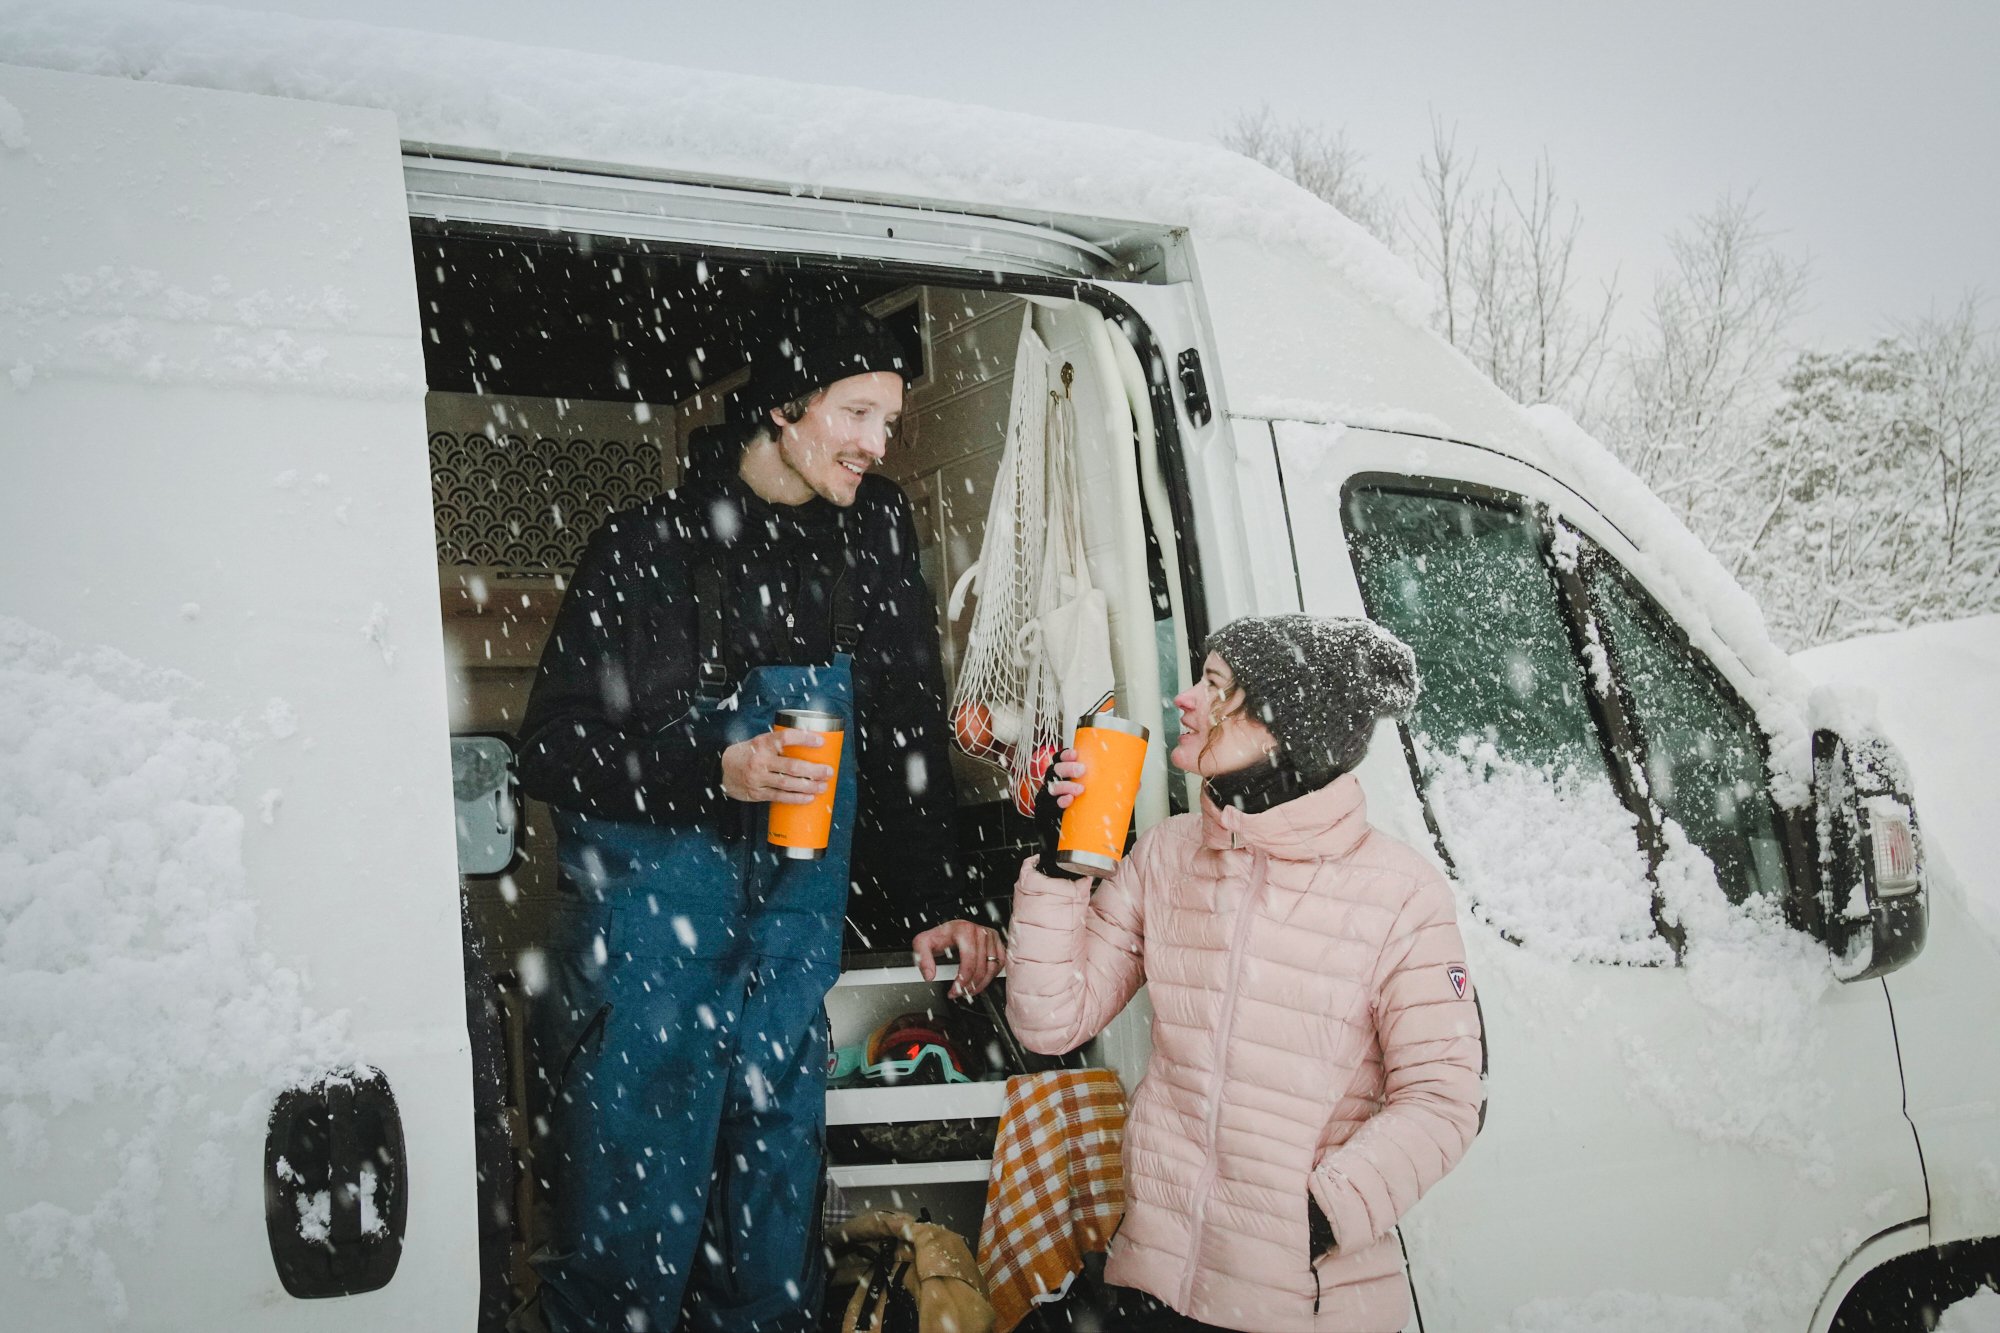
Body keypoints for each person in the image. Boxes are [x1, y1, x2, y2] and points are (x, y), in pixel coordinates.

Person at [514, 304, 1005, 1333]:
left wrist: (934, 897)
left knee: (770, 1240)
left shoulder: (869, 543)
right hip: (651, 969)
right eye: (856, 411)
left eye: (890, 419)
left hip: (785, 960)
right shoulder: (644, 549)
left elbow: (905, 726)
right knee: (627, 1249)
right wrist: (712, 770)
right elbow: (553, 750)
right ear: (784, 408)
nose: (878, 444)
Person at [1006, 614, 1485, 1333]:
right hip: (1154, 1281)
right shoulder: (1170, 854)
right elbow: (1050, 1020)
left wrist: (1317, 1218)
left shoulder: (1400, 895)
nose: (1186, 698)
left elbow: (1446, 1099)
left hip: (1294, 1305)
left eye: (1215, 685)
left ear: (1284, 727)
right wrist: (1058, 863)